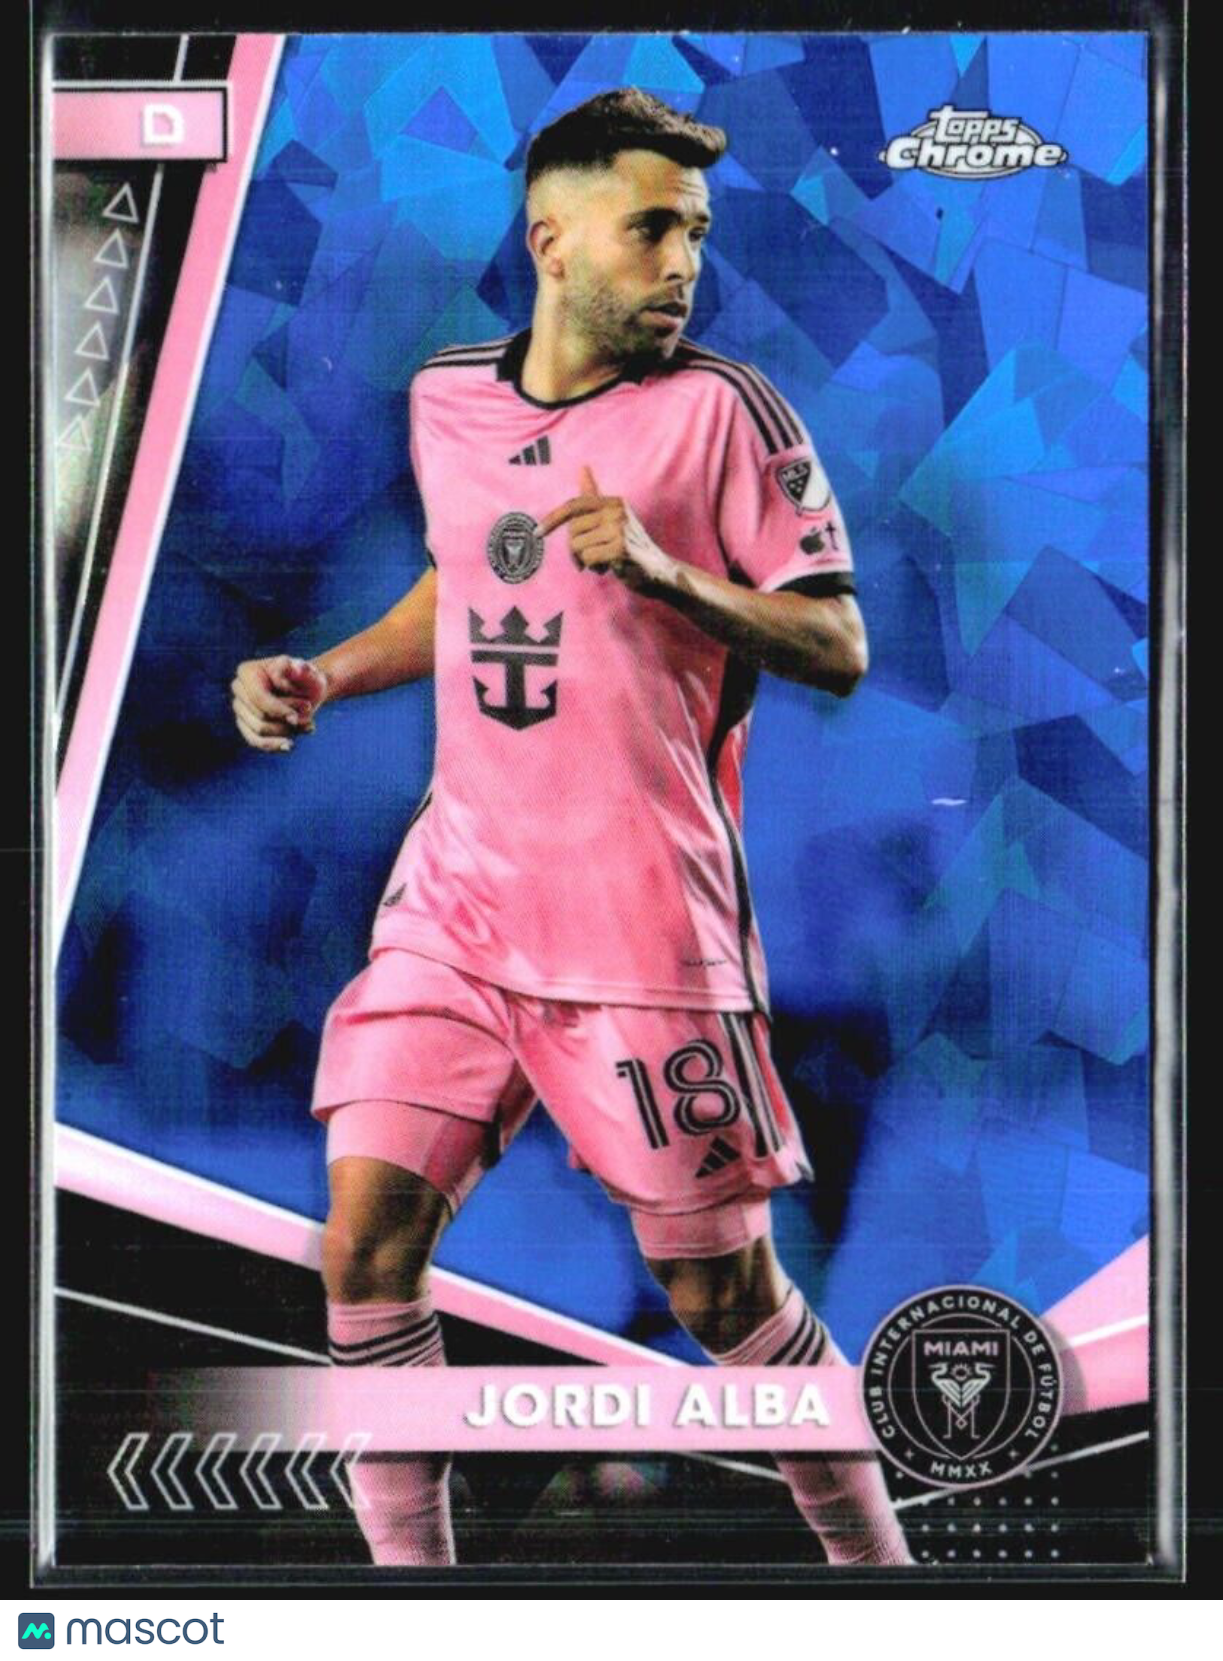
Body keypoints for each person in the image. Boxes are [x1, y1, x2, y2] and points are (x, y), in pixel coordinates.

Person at [231, 88, 911, 1570]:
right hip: (457, 904)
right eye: (653, 228)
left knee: (723, 1302)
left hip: (641, 938)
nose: (685, 264)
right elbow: (467, 583)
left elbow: (838, 642)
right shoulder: (447, 401)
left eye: (697, 234)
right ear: (550, 241)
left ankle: (878, 1565)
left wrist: (669, 576)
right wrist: (326, 673)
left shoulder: (724, 413)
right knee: (364, 1249)